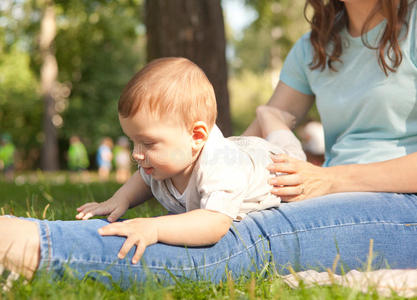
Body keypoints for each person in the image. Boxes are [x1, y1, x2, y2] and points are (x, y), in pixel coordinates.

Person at [0, 0, 416, 289]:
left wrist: (331, 180)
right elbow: (247, 139)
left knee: (241, 238)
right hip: (325, 189)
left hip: (399, 199)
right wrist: (214, 168)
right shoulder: (314, 46)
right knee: (232, 209)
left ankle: (36, 246)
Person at [75, 57, 305, 258]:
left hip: (271, 163)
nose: (137, 153)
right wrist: (120, 199)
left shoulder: (219, 167)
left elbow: (214, 223)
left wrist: (154, 228)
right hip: (235, 151)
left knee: (290, 150)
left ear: (196, 136)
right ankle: (264, 120)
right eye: (133, 141)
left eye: (147, 143)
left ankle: (270, 116)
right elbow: (143, 180)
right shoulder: (163, 162)